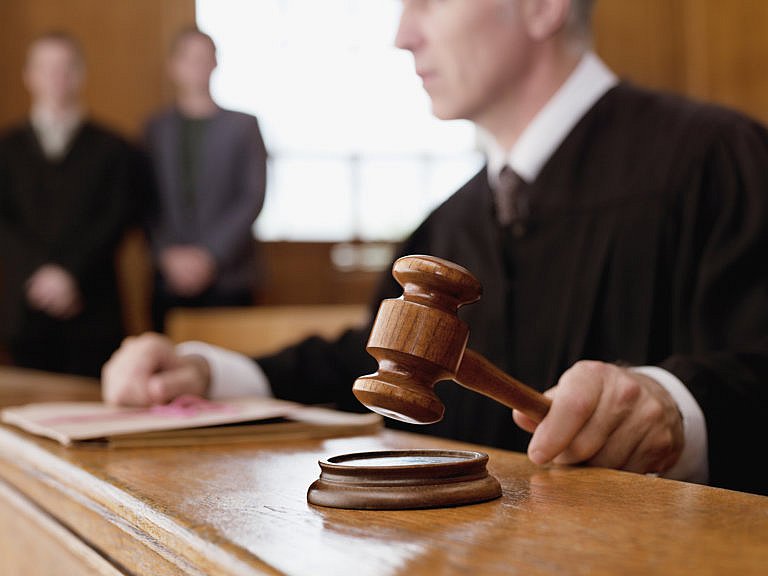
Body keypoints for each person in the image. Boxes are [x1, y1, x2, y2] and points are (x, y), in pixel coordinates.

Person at [102, 0, 768, 496]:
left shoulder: (718, 161)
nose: (402, 34)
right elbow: (374, 365)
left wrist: (678, 407)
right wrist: (207, 377)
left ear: (541, 6)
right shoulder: (448, 223)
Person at [0, 31, 135, 377]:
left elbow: (116, 217)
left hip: (94, 309)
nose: (56, 78)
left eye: (66, 67)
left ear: (81, 74)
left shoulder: (113, 149)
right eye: (46, 68)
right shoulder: (6, 148)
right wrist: (39, 273)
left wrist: (69, 273)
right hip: (24, 307)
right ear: (29, 76)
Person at [144, 27, 268, 332]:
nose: (197, 66)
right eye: (189, 58)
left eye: (204, 57)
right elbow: (145, 200)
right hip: (168, 277)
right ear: (173, 66)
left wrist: (209, 256)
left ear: (215, 63)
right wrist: (168, 254)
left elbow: (252, 196)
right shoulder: (154, 129)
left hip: (229, 276)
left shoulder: (243, 126)